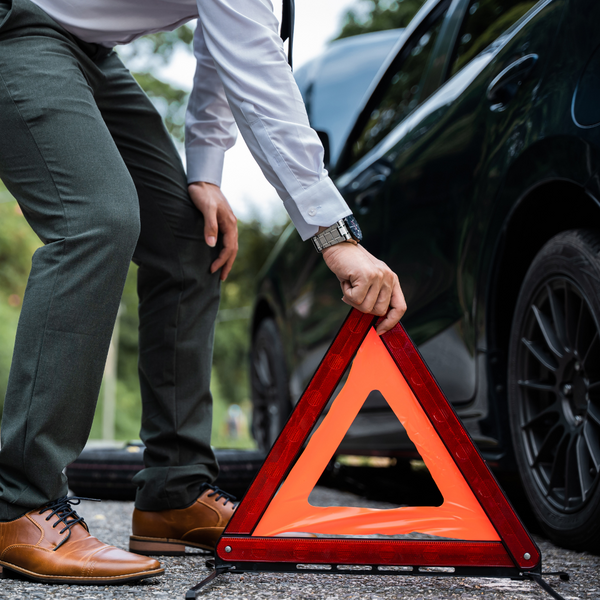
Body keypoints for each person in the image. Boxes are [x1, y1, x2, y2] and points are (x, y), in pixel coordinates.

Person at [0, 0, 406, 585]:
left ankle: (174, 491)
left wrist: (206, 173)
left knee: (193, 239)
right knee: (98, 219)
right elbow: (258, 75)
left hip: (90, 52)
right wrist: (334, 237)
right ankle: (21, 503)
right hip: (21, 29)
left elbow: (226, 42)